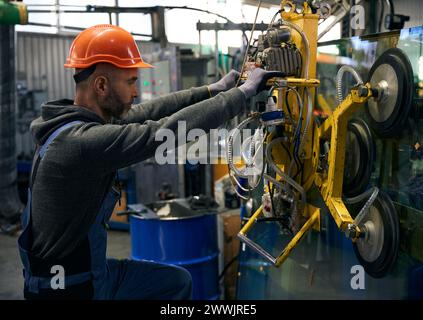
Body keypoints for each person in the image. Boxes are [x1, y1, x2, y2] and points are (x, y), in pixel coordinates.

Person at [17, 24, 271, 300]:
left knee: (175, 282)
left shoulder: (76, 125)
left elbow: (148, 111)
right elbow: (159, 133)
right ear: (101, 84)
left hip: (91, 272)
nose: (136, 92)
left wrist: (213, 90)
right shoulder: (80, 143)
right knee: (173, 284)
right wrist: (241, 95)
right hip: (69, 289)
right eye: (130, 82)